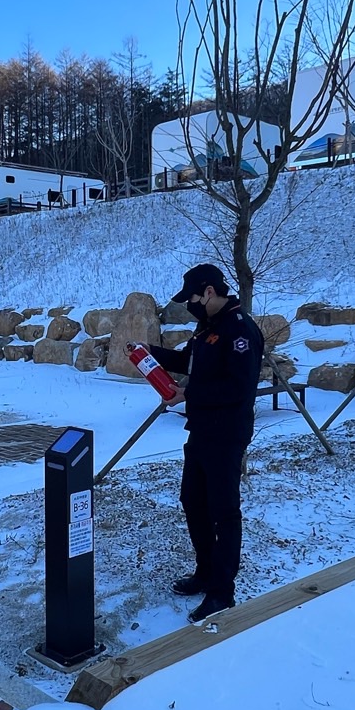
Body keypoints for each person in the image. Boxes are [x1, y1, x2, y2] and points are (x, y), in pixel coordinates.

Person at [144, 263, 264, 623]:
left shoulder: (240, 329)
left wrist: (188, 394)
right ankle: (206, 570)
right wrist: (148, 352)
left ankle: (222, 591)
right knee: (193, 501)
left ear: (209, 291)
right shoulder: (207, 326)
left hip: (226, 433)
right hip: (201, 430)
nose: (190, 306)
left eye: (193, 298)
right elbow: (188, 361)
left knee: (223, 511)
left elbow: (238, 387)